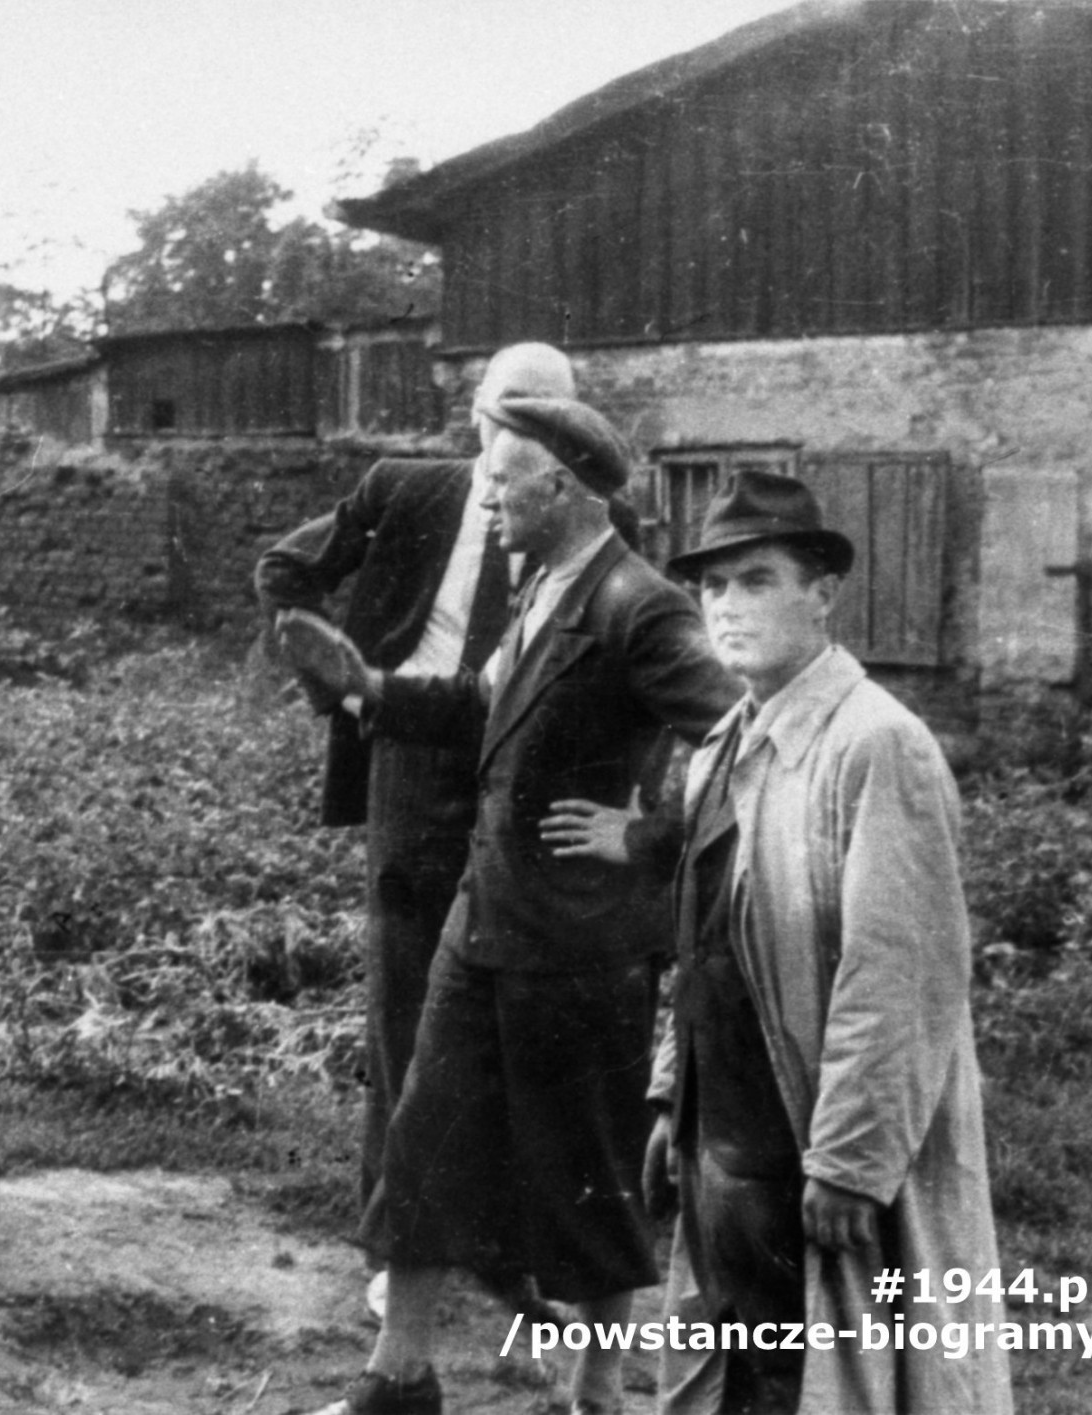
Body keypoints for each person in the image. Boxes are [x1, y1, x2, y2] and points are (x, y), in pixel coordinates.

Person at [284, 391, 741, 1415]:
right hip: (483, 920)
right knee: (421, 1145)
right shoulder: (540, 582)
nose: (484, 498)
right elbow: (480, 702)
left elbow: (747, 737)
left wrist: (647, 834)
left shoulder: (639, 604)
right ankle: (400, 1377)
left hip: (580, 945)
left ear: (562, 487)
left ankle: (597, 1391)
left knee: (591, 1171)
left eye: (501, 481)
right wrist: (367, 686)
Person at [642, 470, 1011, 1414]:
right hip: (727, 1134)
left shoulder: (876, 745)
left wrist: (850, 1159)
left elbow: (899, 974)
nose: (728, 605)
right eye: (712, 585)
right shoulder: (723, 746)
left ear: (823, 593)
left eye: (757, 579)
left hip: (814, 1139)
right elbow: (703, 941)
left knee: (832, 1380)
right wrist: (673, 1097)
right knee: (734, 1374)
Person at [255, 343, 576, 1319]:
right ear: (475, 412)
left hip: (524, 775)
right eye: (508, 408)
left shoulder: (591, 519)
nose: (521, 429)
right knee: (407, 1003)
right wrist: (343, 688)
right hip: (412, 762)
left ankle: (506, 1248)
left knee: (517, 1000)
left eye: (547, 412)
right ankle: (399, 1244)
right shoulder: (405, 489)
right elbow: (285, 568)